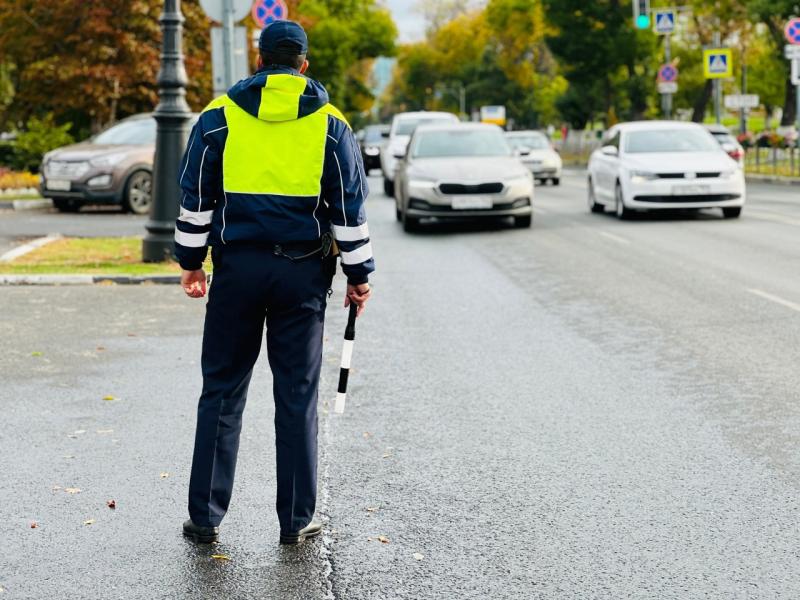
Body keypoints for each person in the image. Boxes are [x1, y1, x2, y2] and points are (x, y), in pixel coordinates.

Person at [174, 20, 373, 545]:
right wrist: (359, 275)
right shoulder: (332, 127)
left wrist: (191, 263)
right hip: (302, 275)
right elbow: (348, 209)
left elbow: (195, 198)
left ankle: (205, 516)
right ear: (303, 64)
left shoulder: (219, 118)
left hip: (236, 272)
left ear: (258, 61)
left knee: (221, 389)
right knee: (296, 393)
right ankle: (295, 519)